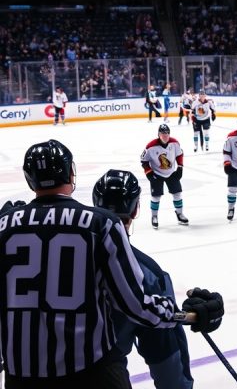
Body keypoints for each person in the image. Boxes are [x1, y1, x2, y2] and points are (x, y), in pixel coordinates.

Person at [0, 140, 223, 389]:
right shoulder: (102, 225)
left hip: (21, 377)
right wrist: (186, 316)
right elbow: (137, 305)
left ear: (29, 179)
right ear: (71, 173)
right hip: (91, 374)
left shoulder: (4, 224)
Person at [93, 169, 201, 389]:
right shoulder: (147, 274)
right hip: (106, 376)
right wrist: (192, 316)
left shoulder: (56, 258)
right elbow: (166, 357)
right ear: (135, 210)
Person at [141, 124, 189, 229]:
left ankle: (180, 214)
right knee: (156, 196)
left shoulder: (174, 143)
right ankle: (154, 216)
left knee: (177, 193)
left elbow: (179, 154)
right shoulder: (150, 146)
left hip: (171, 173)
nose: (165, 135)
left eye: (167, 133)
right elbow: (143, 161)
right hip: (157, 174)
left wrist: (180, 167)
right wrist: (149, 173)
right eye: (163, 133)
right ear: (158, 134)